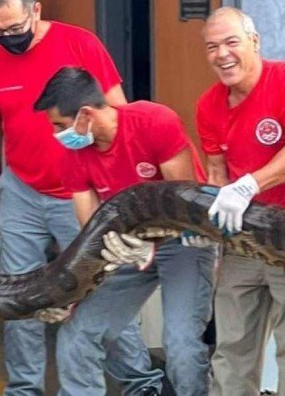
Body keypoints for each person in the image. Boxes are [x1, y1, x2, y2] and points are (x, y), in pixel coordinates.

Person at [0, 0, 164, 395]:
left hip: (83, 193)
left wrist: (119, 190)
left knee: (102, 289)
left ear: (36, 11)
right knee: (19, 295)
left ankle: (139, 382)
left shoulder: (80, 44)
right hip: (20, 190)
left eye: (15, 29)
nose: (7, 38)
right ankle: (24, 388)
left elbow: (119, 113)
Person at [34, 67, 218, 396]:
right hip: (126, 246)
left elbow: (183, 203)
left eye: (61, 126)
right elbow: (90, 233)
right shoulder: (74, 154)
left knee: (181, 344)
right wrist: (69, 295)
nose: (58, 135)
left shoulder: (154, 122)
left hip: (184, 240)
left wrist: (149, 242)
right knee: (78, 335)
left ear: (86, 114)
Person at [196, 6, 285, 396]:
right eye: (212, 47)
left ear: (254, 42)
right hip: (243, 240)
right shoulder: (209, 105)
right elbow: (215, 172)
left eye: (231, 42)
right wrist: (206, 225)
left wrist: (246, 187)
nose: (222, 54)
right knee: (232, 345)